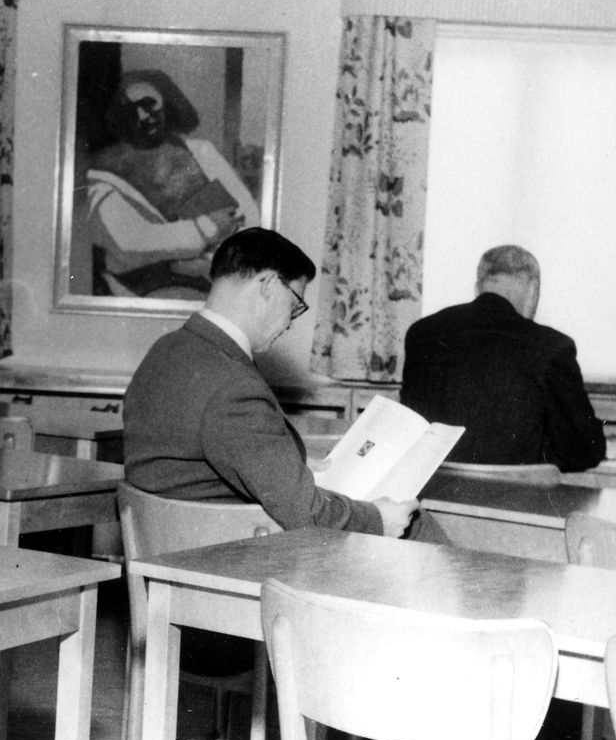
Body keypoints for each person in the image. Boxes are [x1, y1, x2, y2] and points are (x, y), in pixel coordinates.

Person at [125, 227, 418, 537]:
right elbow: (309, 515)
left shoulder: (166, 349)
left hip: (166, 543)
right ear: (267, 285)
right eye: (295, 305)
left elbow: (201, 460)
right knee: (413, 524)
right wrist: (378, 520)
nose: (290, 323)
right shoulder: (234, 388)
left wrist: (284, 466)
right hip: (224, 552)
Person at [400, 244, 606, 471]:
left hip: (435, 487)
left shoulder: (422, 334)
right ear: (533, 290)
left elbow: (410, 429)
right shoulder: (552, 347)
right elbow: (586, 450)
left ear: (478, 288)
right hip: (511, 491)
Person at [86, 69, 259, 299]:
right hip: (144, 292)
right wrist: (207, 227)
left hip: (218, 279)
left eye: (149, 104)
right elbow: (128, 242)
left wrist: (214, 264)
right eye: (130, 110)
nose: (142, 116)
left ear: (166, 102)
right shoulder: (104, 171)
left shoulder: (202, 151)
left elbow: (249, 216)